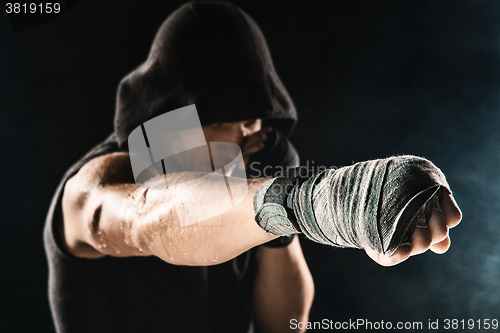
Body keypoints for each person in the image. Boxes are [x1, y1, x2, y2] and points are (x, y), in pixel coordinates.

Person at [44, 2, 462, 333]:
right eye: (240, 122)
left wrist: (289, 218)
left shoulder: (243, 176)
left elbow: (284, 327)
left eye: (258, 124)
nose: (252, 138)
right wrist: (319, 201)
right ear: (179, 117)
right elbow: (145, 218)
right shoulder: (91, 190)